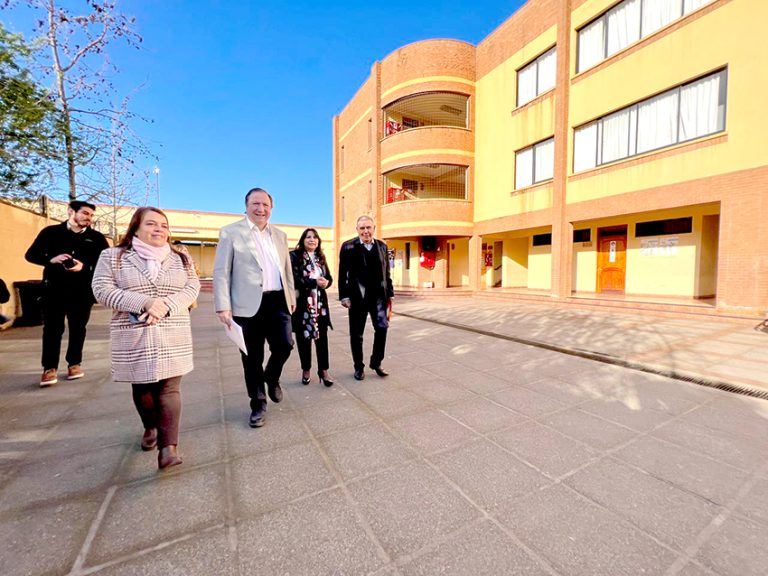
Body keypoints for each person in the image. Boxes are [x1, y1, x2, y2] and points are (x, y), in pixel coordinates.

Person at [92, 207, 200, 470]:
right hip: (134, 333)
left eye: (164, 225)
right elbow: (102, 289)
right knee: (142, 388)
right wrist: (145, 303)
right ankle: (150, 426)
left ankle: (168, 448)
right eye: (151, 224)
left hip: (172, 331)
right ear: (136, 228)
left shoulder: (181, 257)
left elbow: (192, 287)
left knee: (169, 389)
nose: (159, 229)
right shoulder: (113, 256)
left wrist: (166, 305)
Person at [213, 187, 296, 428]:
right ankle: (258, 402)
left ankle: (271, 376)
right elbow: (221, 272)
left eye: (265, 205)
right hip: (246, 306)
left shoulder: (279, 235)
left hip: (278, 300)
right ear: (246, 206)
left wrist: (292, 296)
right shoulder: (231, 233)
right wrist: (222, 306)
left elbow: (286, 269)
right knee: (251, 357)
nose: (260, 209)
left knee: (285, 345)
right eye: (255, 204)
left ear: (271, 208)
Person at [25, 200, 109, 387]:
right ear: (71, 211)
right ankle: (49, 368)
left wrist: (84, 266)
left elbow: (107, 264)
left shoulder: (96, 238)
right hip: (53, 290)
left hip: (82, 291)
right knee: (52, 330)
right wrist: (51, 259)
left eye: (91, 215)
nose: (89, 218)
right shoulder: (50, 233)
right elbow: (30, 255)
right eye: (85, 213)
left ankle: (74, 364)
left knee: (78, 329)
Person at [338, 215, 393, 381]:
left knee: (382, 329)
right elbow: (342, 274)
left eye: (368, 227)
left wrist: (390, 294)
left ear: (374, 228)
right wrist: (344, 296)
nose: (365, 231)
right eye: (362, 228)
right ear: (357, 230)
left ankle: (376, 362)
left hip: (379, 299)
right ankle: (358, 367)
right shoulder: (348, 246)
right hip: (357, 298)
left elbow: (387, 273)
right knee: (356, 334)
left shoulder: (382, 246)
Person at [290, 228, 334, 387]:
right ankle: (306, 369)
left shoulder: (320, 258)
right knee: (304, 339)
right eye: (308, 237)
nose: (312, 240)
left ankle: (324, 371)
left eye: (315, 237)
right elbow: (294, 279)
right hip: (303, 305)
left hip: (320, 305)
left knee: (322, 339)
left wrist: (327, 283)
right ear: (303, 240)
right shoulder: (294, 256)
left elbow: (329, 277)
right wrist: (314, 282)